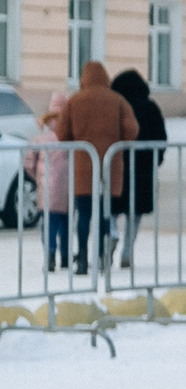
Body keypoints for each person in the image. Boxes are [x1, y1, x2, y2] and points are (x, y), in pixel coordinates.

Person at [56, 60, 138, 275]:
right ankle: (102, 257)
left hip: (83, 170)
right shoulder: (118, 101)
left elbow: (61, 134)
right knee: (104, 215)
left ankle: (82, 258)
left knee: (83, 215)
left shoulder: (75, 102)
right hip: (110, 170)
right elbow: (132, 131)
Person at [108, 69, 167, 270]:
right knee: (136, 213)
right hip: (143, 170)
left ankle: (112, 235)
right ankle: (127, 252)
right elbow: (161, 137)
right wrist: (155, 160)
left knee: (112, 209)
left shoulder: (116, 107)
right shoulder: (151, 108)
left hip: (119, 167)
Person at [24, 94, 72, 272]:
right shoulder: (70, 137)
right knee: (66, 224)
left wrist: (37, 176)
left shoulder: (41, 139)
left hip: (47, 189)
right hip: (67, 189)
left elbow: (29, 162)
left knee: (49, 224)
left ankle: (50, 255)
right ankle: (66, 256)